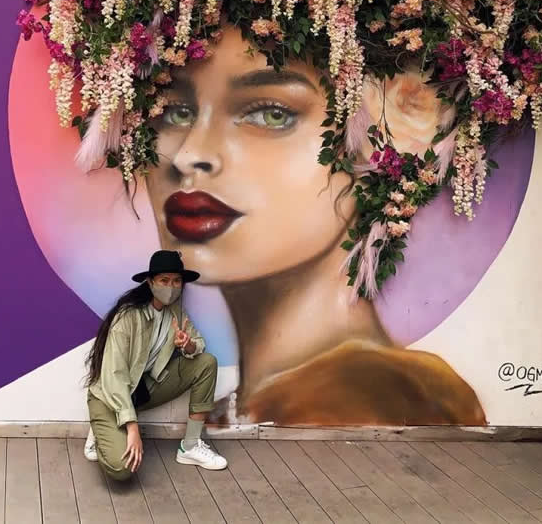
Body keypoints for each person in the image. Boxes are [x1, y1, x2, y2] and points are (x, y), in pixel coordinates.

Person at [145, 26, 486, 427]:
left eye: (271, 113)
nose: (189, 155)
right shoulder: (266, 404)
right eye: (176, 112)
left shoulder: (370, 406)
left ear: (383, 144)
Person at [84, 249, 227, 478]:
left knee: (206, 363)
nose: (171, 286)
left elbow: (198, 344)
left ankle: (190, 446)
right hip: (111, 396)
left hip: (144, 390)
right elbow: (114, 375)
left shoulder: (177, 313)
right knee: (123, 470)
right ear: (150, 282)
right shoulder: (128, 317)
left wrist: (188, 345)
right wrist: (132, 427)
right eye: (164, 280)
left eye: (177, 281)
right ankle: (102, 430)